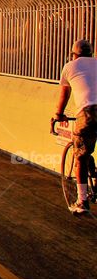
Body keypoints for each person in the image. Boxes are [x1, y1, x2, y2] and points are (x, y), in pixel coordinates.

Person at [54, 39, 97, 215]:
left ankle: (82, 201)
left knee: (80, 156)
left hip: (88, 113)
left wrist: (58, 115)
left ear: (74, 54)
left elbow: (64, 95)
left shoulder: (70, 66)